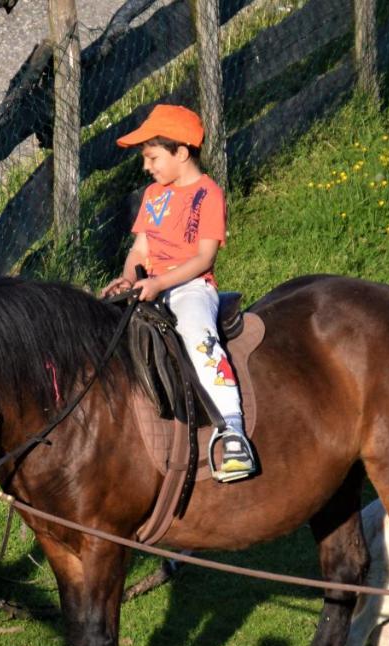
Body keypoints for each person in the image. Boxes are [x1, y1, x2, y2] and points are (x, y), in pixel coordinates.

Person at [101, 104, 257, 482]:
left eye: (152, 157)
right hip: (148, 286)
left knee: (198, 336)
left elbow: (204, 257)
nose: (146, 167)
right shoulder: (154, 196)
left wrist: (158, 283)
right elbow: (139, 251)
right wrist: (128, 278)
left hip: (190, 287)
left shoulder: (209, 195)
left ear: (182, 153)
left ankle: (233, 431)